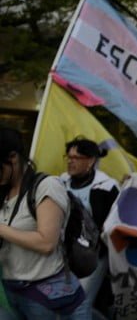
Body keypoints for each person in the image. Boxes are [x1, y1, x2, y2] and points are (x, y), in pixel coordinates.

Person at [0, 128, 85, 319]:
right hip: (8, 290)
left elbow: (46, 242)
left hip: (43, 294)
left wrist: (2, 230)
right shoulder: (3, 191)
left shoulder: (46, 186)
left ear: (12, 158)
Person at [60, 138, 119, 319]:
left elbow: (116, 222)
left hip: (93, 255)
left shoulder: (107, 187)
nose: (71, 161)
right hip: (64, 255)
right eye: (68, 157)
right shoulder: (61, 182)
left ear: (91, 160)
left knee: (81, 301)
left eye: (76, 157)